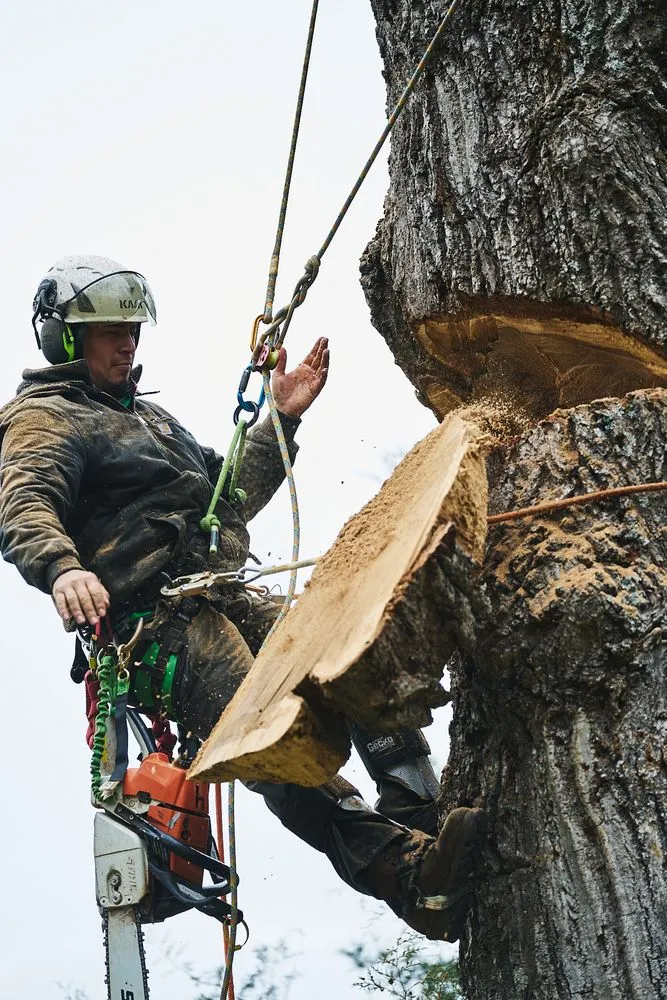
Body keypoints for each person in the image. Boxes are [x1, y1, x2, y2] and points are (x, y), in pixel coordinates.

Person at [0, 255, 486, 940]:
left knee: (345, 658)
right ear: (65, 339)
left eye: (131, 328)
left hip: (218, 594)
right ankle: (406, 879)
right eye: (108, 331)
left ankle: (417, 812)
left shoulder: (149, 419)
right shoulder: (45, 419)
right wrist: (59, 568)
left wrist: (280, 422)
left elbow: (223, 504)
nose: (127, 342)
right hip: (155, 624)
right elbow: (23, 503)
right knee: (276, 744)